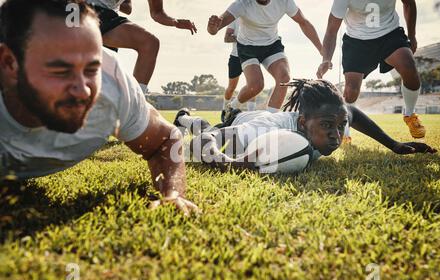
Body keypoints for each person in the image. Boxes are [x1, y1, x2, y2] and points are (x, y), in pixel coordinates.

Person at [0, 0, 198, 215]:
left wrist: (173, 193)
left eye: (91, 68)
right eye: (60, 70)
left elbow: (164, 140)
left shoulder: (112, 82)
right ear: (9, 64)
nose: (82, 91)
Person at [173, 79, 436, 171]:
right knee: (207, 128)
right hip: (242, 121)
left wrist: (395, 145)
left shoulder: (336, 120)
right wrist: (225, 162)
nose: (337, 135)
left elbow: (352, 111)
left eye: (340, 126)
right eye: (327, 126)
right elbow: (201, 144)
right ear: (302, 123)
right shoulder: (268, 131)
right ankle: (183, 117)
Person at [317, 0, 425, 143]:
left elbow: (409, 3)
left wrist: (412, 36)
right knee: (351, 91)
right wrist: (326, 59)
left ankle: (410, 114)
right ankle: (344, 130)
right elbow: (331, 29)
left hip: (390, 34)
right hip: (357, 40)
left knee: (409, 67)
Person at [207, 0, 322, 113]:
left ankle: (270, 121)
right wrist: (212, 27)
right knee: (256, 85)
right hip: (248, 47)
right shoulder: (241, 4)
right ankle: (232, 107)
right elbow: (215, 28)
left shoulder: (284, 2)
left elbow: (304, 22)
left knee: (284, 78)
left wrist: (322, 50)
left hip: (272, 45)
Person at [87, 0, 197, 93]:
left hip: (107, 15)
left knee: (150, 43)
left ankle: (136, 102)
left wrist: (174, 22)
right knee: (148, 43)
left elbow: (156, 12)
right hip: (80, 9)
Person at [223, 18, 257, 121]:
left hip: (252, 56)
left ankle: (251, 116)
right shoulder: (235, 18)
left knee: (254, 86)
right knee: (231, 88)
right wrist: (240, 39)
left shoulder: (259, 16)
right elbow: (226, 38)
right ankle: (225, 110)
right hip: (236, 57)